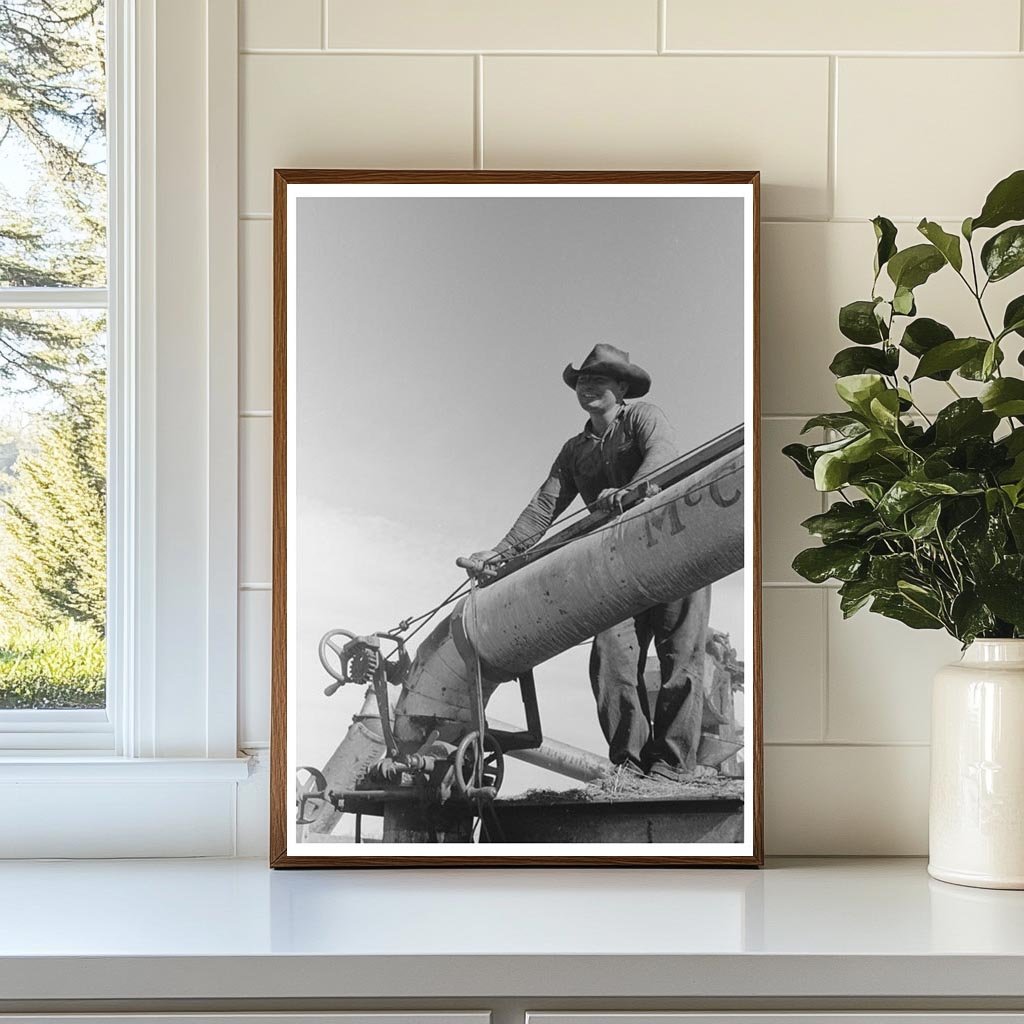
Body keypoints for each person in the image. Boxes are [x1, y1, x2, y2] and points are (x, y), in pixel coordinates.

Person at [459, 344, 712, 780]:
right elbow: (544, 507)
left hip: (673, 547)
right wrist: (499, 555)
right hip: (618, 568)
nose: (588, 387)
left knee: (681, 658)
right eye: (582, 381)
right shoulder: (575, 450)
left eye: (598, 380)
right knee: (611, 658)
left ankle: (673, 765)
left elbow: (664, 455)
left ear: (622, 387)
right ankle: (628, 767)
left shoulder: (643, 418)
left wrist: (634, 489)